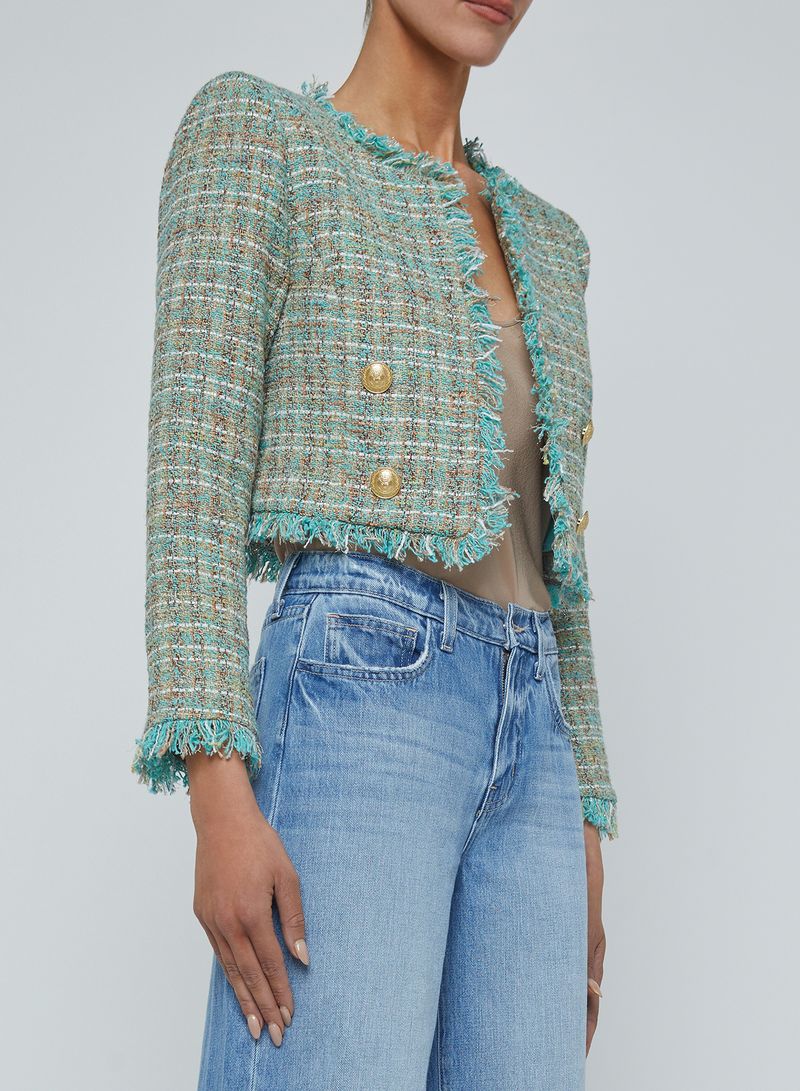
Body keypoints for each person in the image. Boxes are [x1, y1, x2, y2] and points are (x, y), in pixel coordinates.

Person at [133, 1, 618, 1086]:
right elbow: (191, 480)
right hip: (359, 698)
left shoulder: (551, 243)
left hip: (535, 745)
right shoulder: (262, 139)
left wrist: (583, 817)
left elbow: (560, 561)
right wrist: (217, 789)